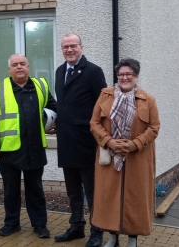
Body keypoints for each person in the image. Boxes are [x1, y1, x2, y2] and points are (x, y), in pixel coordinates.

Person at [90, 58, 160, 247]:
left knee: (134, 200)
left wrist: (134, 144)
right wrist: (110, 142)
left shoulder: (148, 100)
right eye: (121, 74)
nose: (124, 77)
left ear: (136, 76)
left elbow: (154, 128)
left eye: (129, 74)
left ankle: (132, 240)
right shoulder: (105, 96)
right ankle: (112, 238)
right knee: (110, 199)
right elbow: (94, 123)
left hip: (137, 158)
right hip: (110, 158)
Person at [0, 54, 57, 238]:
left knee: (36, 190)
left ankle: (40, 225)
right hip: (9, 150)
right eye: (15, 65)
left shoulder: (40, 85)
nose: (19, 67)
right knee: (11, 190)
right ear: (9, 69)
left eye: (22, 64)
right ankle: (11, 223)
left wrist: (53, 124)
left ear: (28, 67)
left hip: (34, 148)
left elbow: (54, 107)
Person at [54, 33, 107, 247]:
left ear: (81, 48)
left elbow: (103, 106)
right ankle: (76, 226)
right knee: (73, 190)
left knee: (93, 192)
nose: (69, 50)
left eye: (73, 46)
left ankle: (97, 231)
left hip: (86, 141)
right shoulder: (59, 71)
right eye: (65, 46)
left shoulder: (93, 71)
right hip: (66, 141)